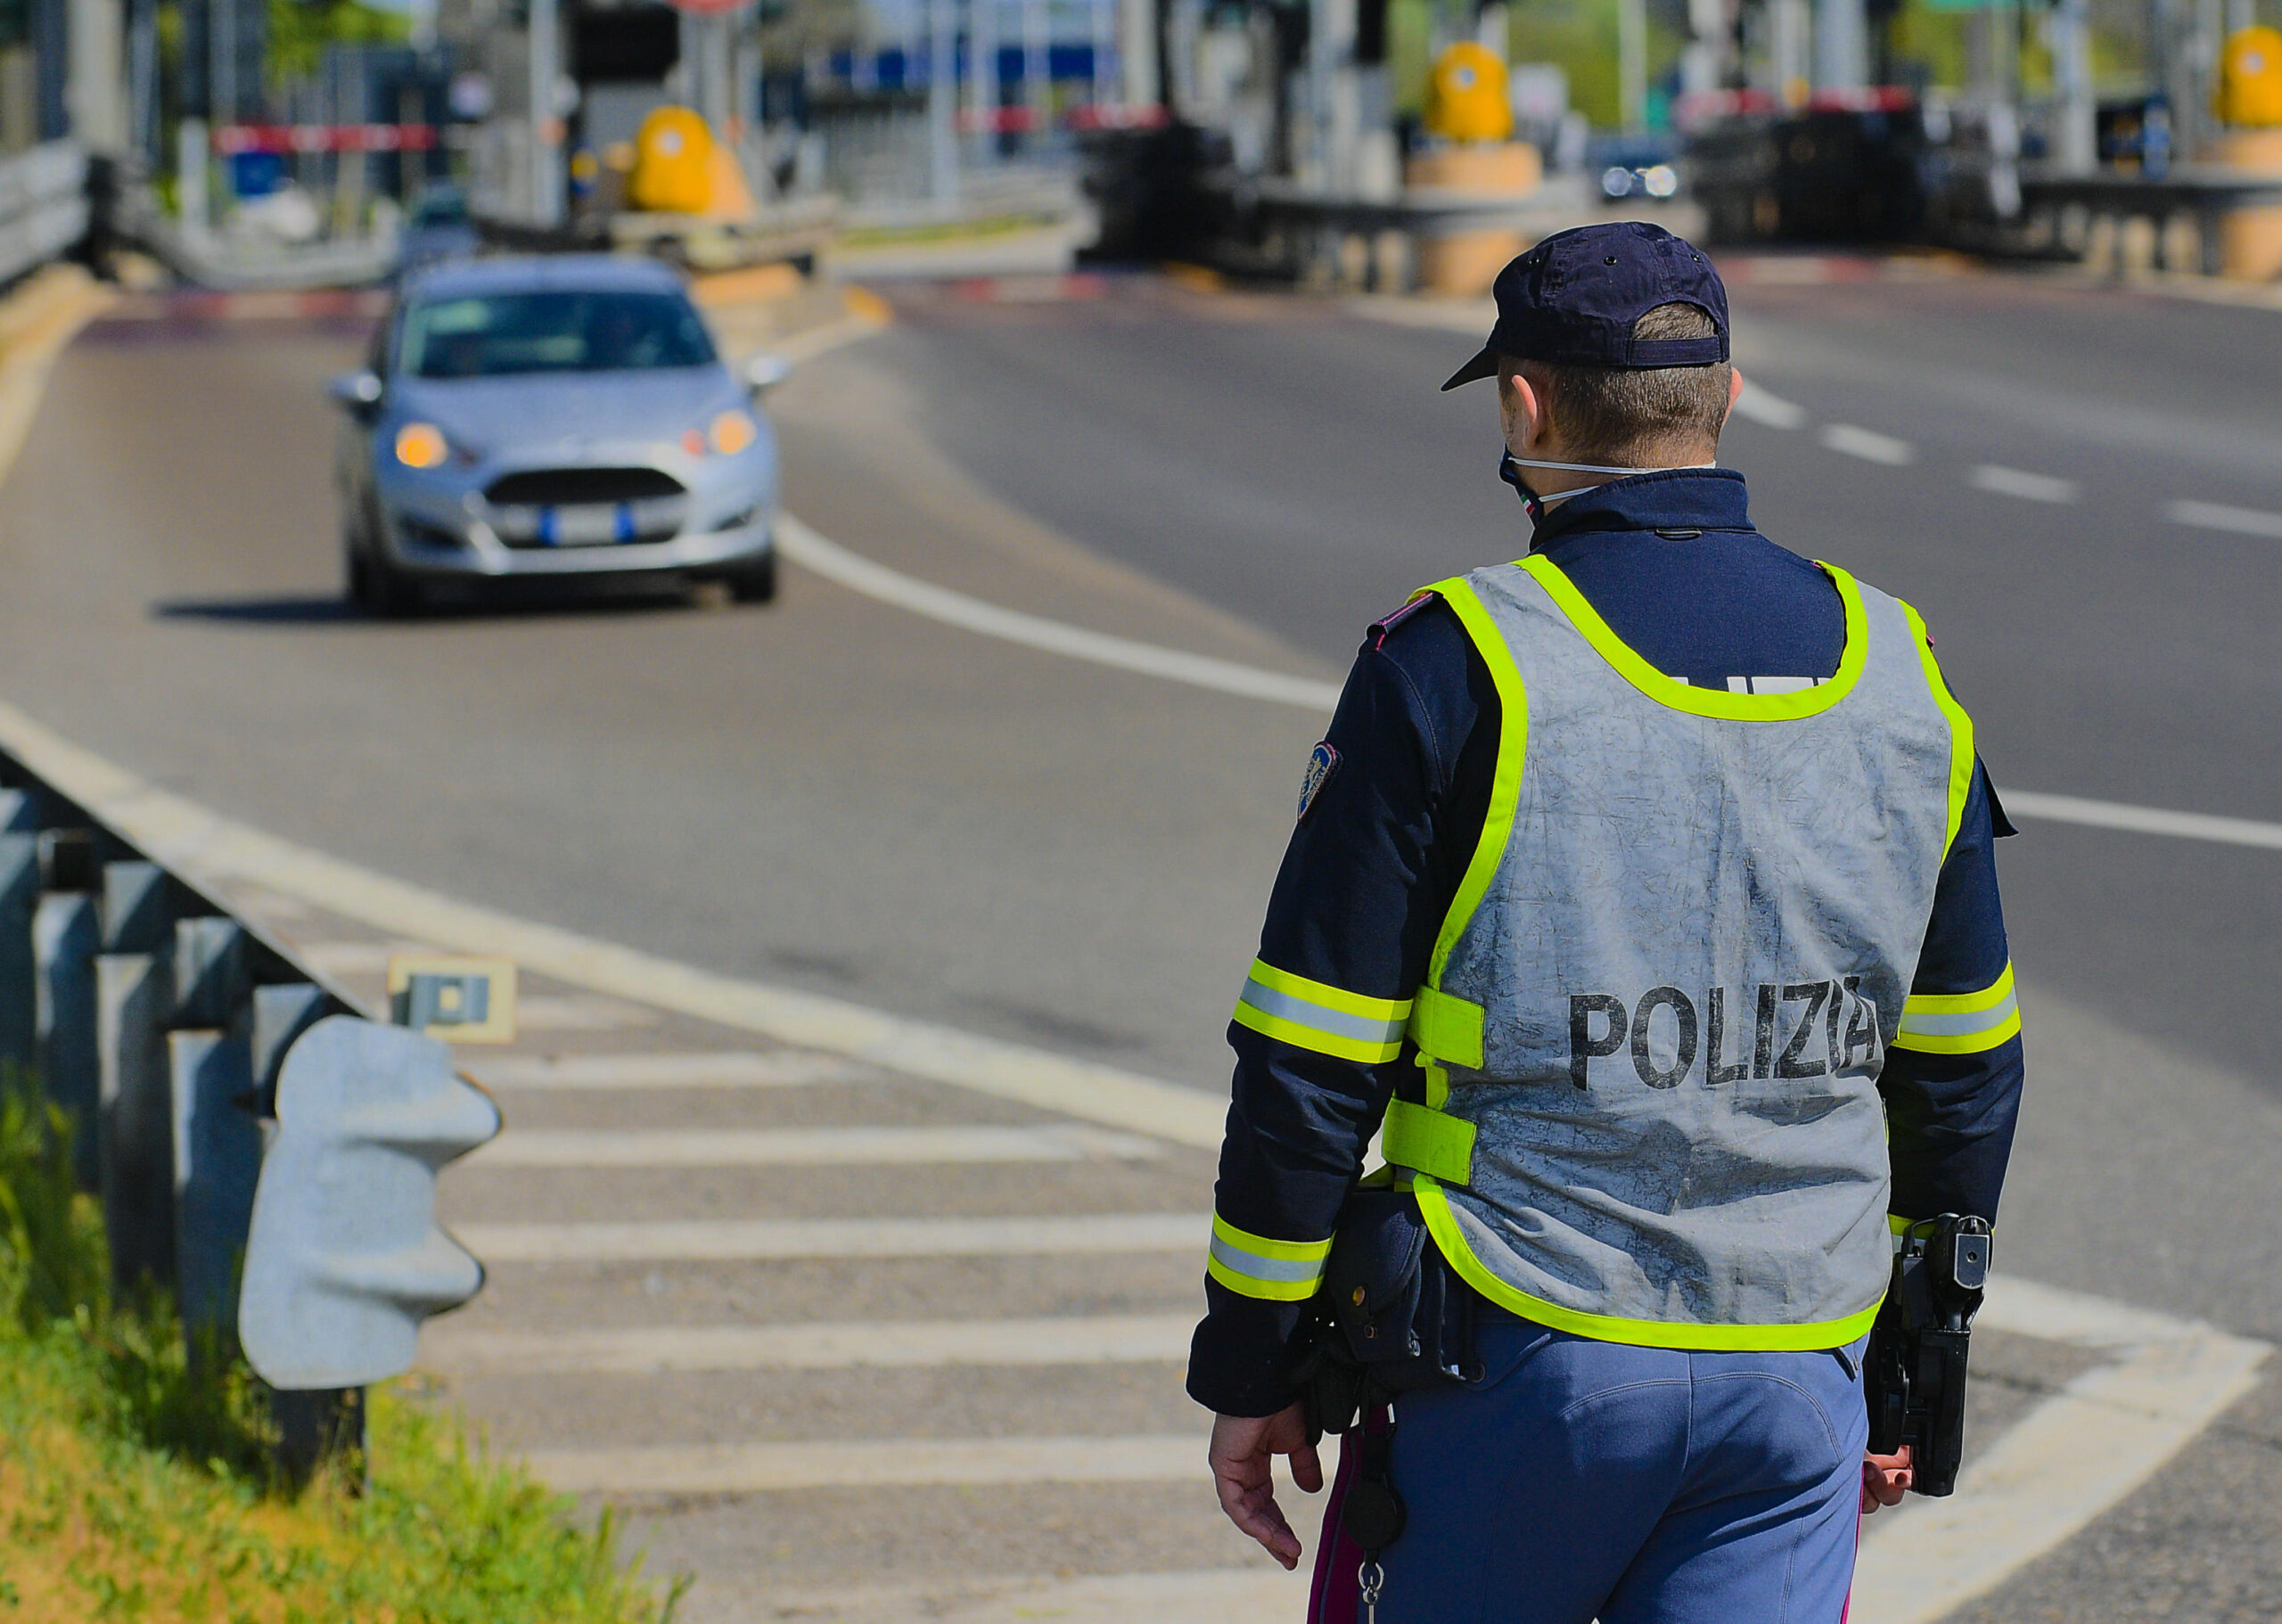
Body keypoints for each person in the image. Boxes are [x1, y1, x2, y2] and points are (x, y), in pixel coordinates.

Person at [1188, 221, 2024, 1622]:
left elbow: (1309, 1058)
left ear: (1524, 407)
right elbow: (1964, 1066)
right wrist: (1909, 1359)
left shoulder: (1459, 661)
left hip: (1518, 1362)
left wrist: (1253, 1366)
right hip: (1795, 1371)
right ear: (1729, 397)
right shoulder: (1903, 668)